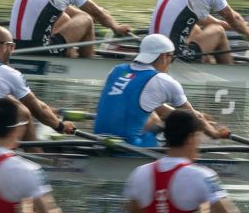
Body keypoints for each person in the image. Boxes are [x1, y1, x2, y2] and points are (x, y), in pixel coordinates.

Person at [124, 110, 249, 213]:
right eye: (198, 138)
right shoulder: (203, 175)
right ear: (190, 138)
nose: (199, 144)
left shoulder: (139, 173)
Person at [93, 35, 230, 146]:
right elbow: (193, 119)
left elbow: (156, 106)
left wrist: (198, 116)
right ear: (164, 56)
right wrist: (215, 133)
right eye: (172, 57)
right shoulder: (163, 80)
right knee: (191, 128)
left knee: (156, 117)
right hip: (130, 147)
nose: (171, 63)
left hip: (99, 142)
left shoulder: (117, 70)